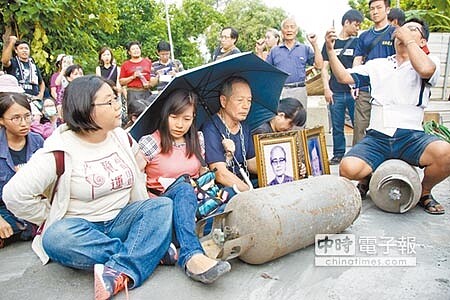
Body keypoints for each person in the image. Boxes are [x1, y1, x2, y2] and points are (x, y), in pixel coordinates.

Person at [2, 75, 173, 299]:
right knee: (56, 238)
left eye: (116, 99)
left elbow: (137, 176)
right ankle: (147, 252)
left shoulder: (121, 137)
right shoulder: (59, 149)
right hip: (81, 228)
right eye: (109, 101)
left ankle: (121, 269)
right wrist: (49, 215)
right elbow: (14, 195)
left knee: (161, 206)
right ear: (85, 108)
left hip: (121, 219)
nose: (117, 106)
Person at [325, 18, 450, 214]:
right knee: (348, 169)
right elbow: (344, 77)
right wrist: (330, 51)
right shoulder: (378, 65)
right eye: (403, 29)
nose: (404, 32)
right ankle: (367, 177)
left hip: (412, 137)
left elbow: (425, 70)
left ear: (423, 41)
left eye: (412, 30)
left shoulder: (430, 61)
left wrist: (409, 41)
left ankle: (424, 192)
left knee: (446, 152)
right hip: (378, 137)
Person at [138, 89, 231, 284]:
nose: (180, 125)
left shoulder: (197, 139)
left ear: (193, 118)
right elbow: (134, 181)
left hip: (192, 207)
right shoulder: (150, 143)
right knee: (183, 188)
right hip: (163, 209)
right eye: (174, 117)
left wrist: (227, 155)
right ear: (165, 115)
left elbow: (204, 175)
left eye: (186, 118)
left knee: (229, 197)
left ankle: (170, 245)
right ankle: (191, 255)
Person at [0, 91, 44, 249]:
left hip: (35, 207)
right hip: (6, 210)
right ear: (2, 120)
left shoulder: (38, 141)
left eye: (27, 116)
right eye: (16, 118)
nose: (24, 123)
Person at [321, 9, 364, 165]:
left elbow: (358, 66)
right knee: (337, 126)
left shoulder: (358, 42)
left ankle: (358, 154)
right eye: (356, 25)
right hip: (335, 92)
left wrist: (356, 86)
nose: (357, 28)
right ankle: (338, 154)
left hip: (353, 92)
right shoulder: (330, 42)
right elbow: (324, 68)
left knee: (358, 125)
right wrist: (326, 88)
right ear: (346, 23)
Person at [202, 76, 257, 192]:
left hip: (245, 181)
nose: (246, 106)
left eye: (249, 100)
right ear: (223, 101)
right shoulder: (211, 128)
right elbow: (220, 174)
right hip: (225, 189)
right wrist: (249, 192)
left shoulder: (244, 127)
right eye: (240, 100)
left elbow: (251, 162)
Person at [352, 0, 395, 145]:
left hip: (388, 91)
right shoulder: (364, 36)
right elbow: (358, 60)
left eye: (379, 8)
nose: (375, 12)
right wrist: (354, 84)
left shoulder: (395, 33)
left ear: (387, 9)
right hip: (366, 89)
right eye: (372, 9)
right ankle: (357, 162)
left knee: (386, 128)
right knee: (360, 127)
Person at [266, 17, 323, 109]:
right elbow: (267, 71)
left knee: (299, 120)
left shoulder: (305, 49)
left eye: (292, 27)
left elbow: (319, 65)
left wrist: (314, 44)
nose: (289, 30)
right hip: (281, 91)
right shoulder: (274, 51)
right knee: (281, 118)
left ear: (296, 31)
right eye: (286, 27)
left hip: (299, 90)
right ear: (281, 31)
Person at [119, 41, 158, 107]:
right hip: (132, 93)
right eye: (133, 49)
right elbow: (121, 81)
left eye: (137, 48)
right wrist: (132, 77)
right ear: (129, 52)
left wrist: (150, 84)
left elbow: (153, 76)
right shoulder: (125, 64)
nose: (136, 51)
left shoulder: (148, 62)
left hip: (146, 92)